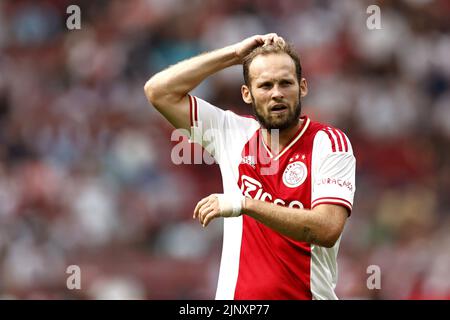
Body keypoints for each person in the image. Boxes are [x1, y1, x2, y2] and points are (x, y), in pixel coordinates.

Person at [144, 33, 356, 300]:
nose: (277, 93)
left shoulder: (329, 143)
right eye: (265, 85)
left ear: (302, 87)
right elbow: (159, 92)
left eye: (285, 83)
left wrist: (244, 203)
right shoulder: (231, 133)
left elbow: (326, 229)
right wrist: (233, 56)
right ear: (247, 93)